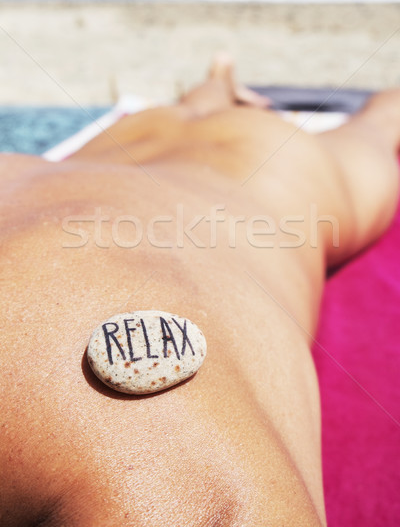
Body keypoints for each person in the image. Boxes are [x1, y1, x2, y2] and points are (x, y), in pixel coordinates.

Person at [0, 54, 399, 526]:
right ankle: (221, 84)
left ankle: (218, 78)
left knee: (198, 110)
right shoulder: (171, 479)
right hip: (262, 162)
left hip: (78, 161)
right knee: (377, 128)